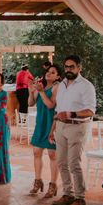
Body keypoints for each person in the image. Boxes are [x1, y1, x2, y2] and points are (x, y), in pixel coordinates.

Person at [50, 55, 96, 205]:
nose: (68, 69)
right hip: (60, 127)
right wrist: (53, 129)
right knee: (61, 162)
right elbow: (58, 110)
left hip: (77, 127)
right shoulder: (62, 84)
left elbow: (90, 111)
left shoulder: (86, 86)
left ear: (79, 67)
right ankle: (68, 194)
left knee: (73, 163)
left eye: (72, 67)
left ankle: (80, 198)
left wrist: (72, 114)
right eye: (66, 67)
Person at [27, 64, 61, 197]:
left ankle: (53, 184)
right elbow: (30, 103)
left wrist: (40, 92)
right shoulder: (39, 86)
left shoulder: (57, 87)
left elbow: (51, 104)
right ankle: (38, 180)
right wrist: (31, 91)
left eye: (53, 72)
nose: (49, 73)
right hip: (40, 124)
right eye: (48, 71)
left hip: (52, 124)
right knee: (36, 152)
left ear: (58, 76)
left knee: (53, 155)